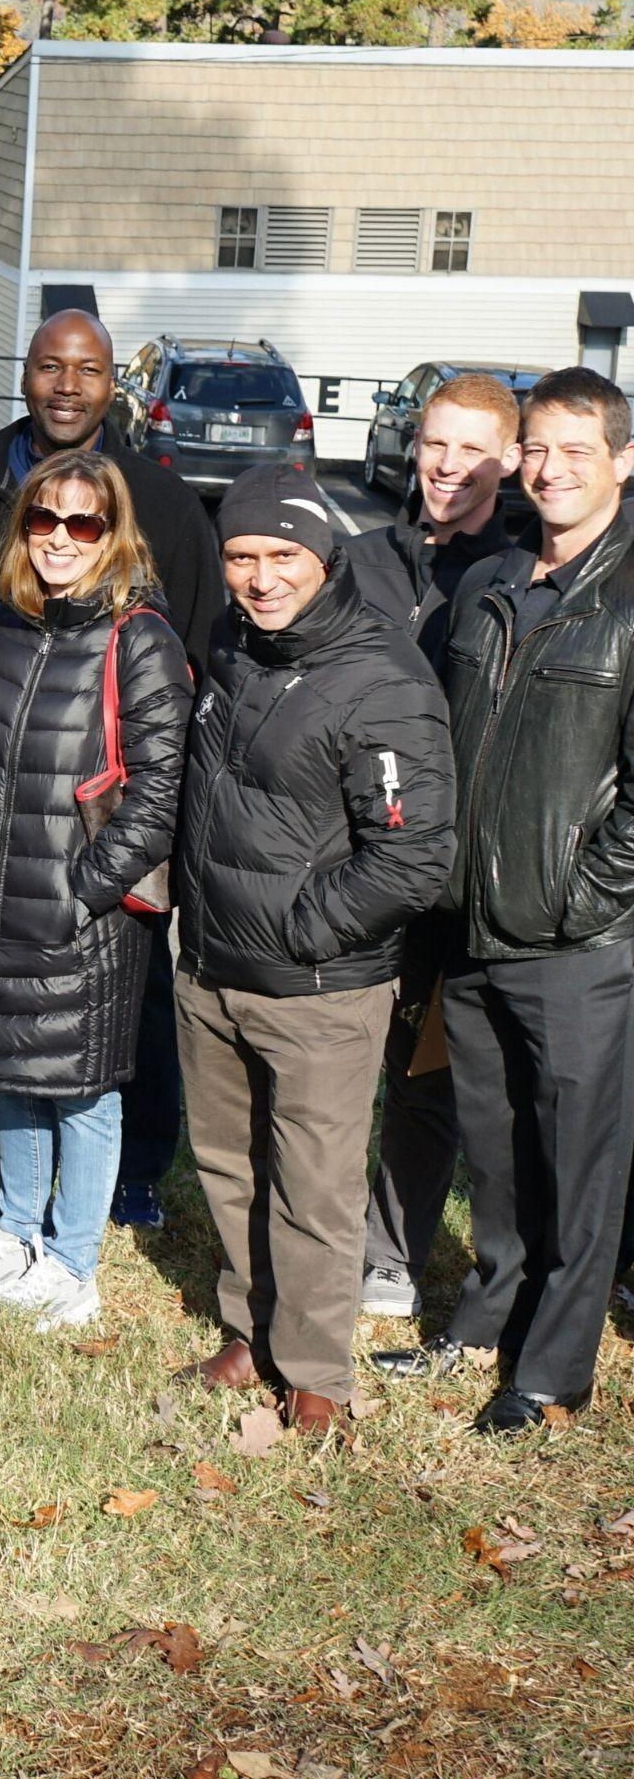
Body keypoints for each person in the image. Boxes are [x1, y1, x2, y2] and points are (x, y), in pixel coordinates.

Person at [0, 311, 220, 1220]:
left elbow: (194, 656)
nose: (68, 386)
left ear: (111, 382)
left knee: (128, 1004)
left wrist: (111, 865)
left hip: (96, 834)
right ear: (26, 374)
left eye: (88, 370)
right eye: (51, 366)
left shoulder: (162, 502)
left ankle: (136, 1172)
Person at [378, 368, 634, 1434]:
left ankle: (553, 1370)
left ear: (623, 460)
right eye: (538, 448)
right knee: (493, 1147)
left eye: (578, 450)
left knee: (577, 1160)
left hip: (577, 938)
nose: (552, 469)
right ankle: (483, 1326)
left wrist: (585, 897)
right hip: (471, 926)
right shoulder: (490, 580)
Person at [173, 465, 454, 1432]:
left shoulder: (383, 681)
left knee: (315, 1188)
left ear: (326, 558)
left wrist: (300, 931)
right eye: (241, 556)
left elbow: (412, 858)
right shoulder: (233, 644)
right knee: (229, 1164)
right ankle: (251, 1331)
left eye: (282, 555)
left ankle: (317, 1375)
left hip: (318, 987)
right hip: (211, 968)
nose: (261, 577)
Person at [0, 452, 191, 1328]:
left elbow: (158, 796)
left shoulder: (141, 640)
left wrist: (85, 891)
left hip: (81, 910)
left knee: (80, 1086)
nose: (61, 539)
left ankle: (74, 1262)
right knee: (11, 1066)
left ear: (114, 534)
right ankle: (16, 1230)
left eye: (84, 522)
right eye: (45, 519)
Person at [343, 373, 519, 1320]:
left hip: (443, 869)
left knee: (423, 1074)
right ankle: (320, 1228)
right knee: (333, 1063)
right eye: (435, 443)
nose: (448, 466)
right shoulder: (359, 559)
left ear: (510, 460)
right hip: (341, 853)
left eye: (472, 450)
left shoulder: (516, 577)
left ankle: (391, 1252)